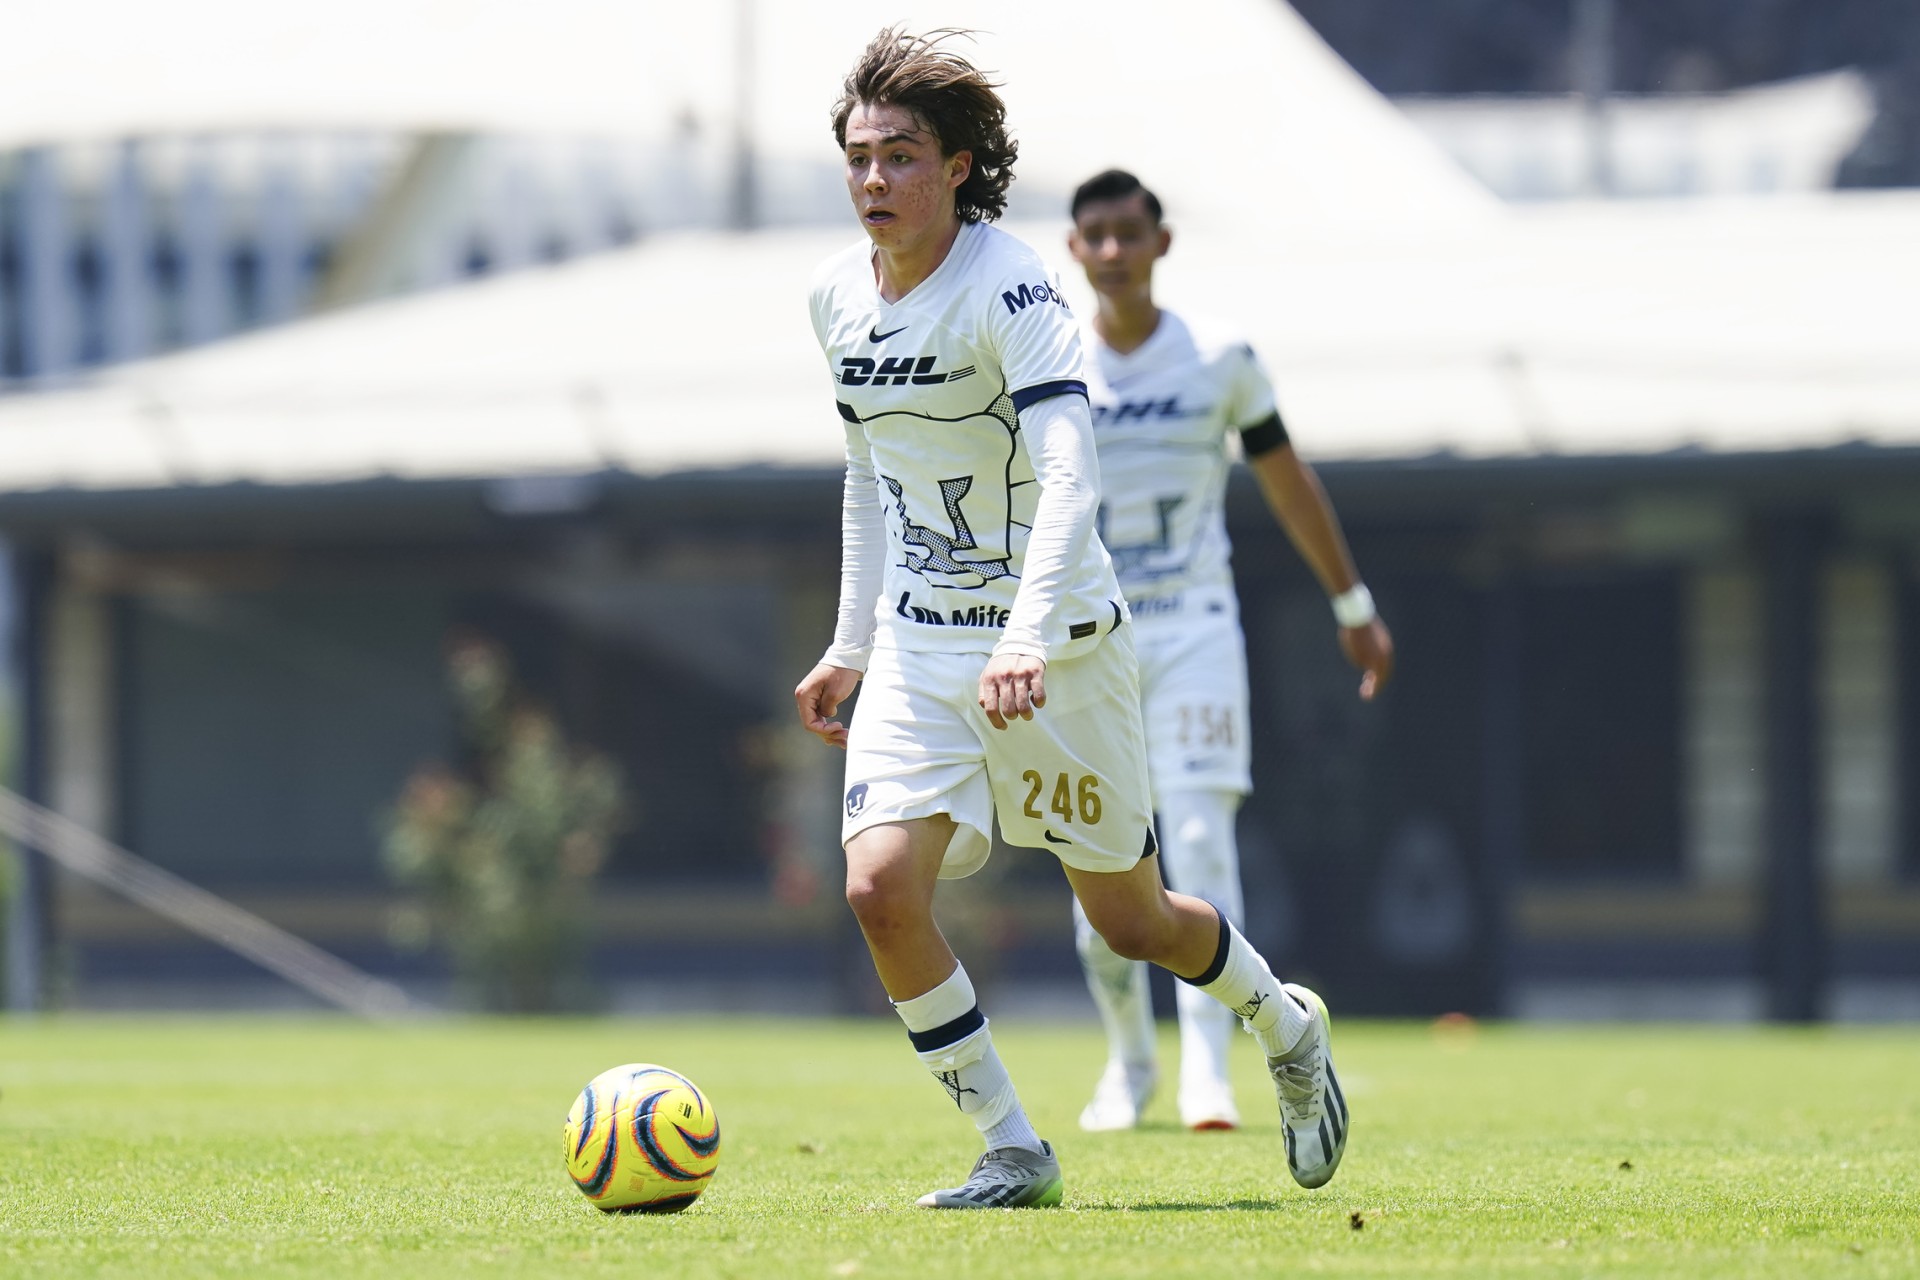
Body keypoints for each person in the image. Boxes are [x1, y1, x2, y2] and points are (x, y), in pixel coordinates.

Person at [793, 32, 1350, 1209]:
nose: (875, 179)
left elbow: (1070, 473)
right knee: (879, 888)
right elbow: (868, 472)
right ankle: (1013, 1146)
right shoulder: (835, 296)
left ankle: (1286, 1028)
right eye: (859, 157)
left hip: (1062, 652)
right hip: (923, 649)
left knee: (1133, 920)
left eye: (902, 155)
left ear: (958, 168)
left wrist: (1025, 634)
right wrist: (851, 643)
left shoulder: (1013, 287)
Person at [1063, 169, 1395, 1134]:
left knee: (1202, 839)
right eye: (1096, 235)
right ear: (1075, 249)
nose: (1114, 251)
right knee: (1096, 865)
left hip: (1194, 628)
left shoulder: (1219, 357)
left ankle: (1208, 1068)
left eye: (1130, 232)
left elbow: (1288, 481)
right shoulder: (1047, 360)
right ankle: (1130, 1063)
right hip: (1086, 641)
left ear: (1161, 243)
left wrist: (1352, 601)